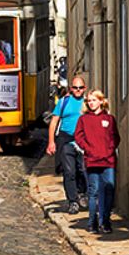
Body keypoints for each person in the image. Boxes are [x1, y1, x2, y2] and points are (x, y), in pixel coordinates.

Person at [74, 90, 119, 233]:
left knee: (109, 188)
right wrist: (88, 149)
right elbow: (79, 137)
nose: (91, 103)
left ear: (101, 101)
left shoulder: (109, 119)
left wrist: (109, 149)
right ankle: (92, 222)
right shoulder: (84, 120)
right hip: (92, 160)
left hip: (108, 160)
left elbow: (115, 137)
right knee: (93, 191)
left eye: (94, 100)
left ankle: (105, 221)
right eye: (89, 101)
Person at [47, 75, 88, 213]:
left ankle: (82, 193)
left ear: (84, 88)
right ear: (71, 88)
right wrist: (51, 142)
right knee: (69, 172)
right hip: (66, 141)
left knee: (82, 170)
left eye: (80, 88)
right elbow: (54, 122)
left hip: (83, 142)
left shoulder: (88, 102)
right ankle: (72, 201)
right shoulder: (64, 101)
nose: (78, 90)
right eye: (75, 88)